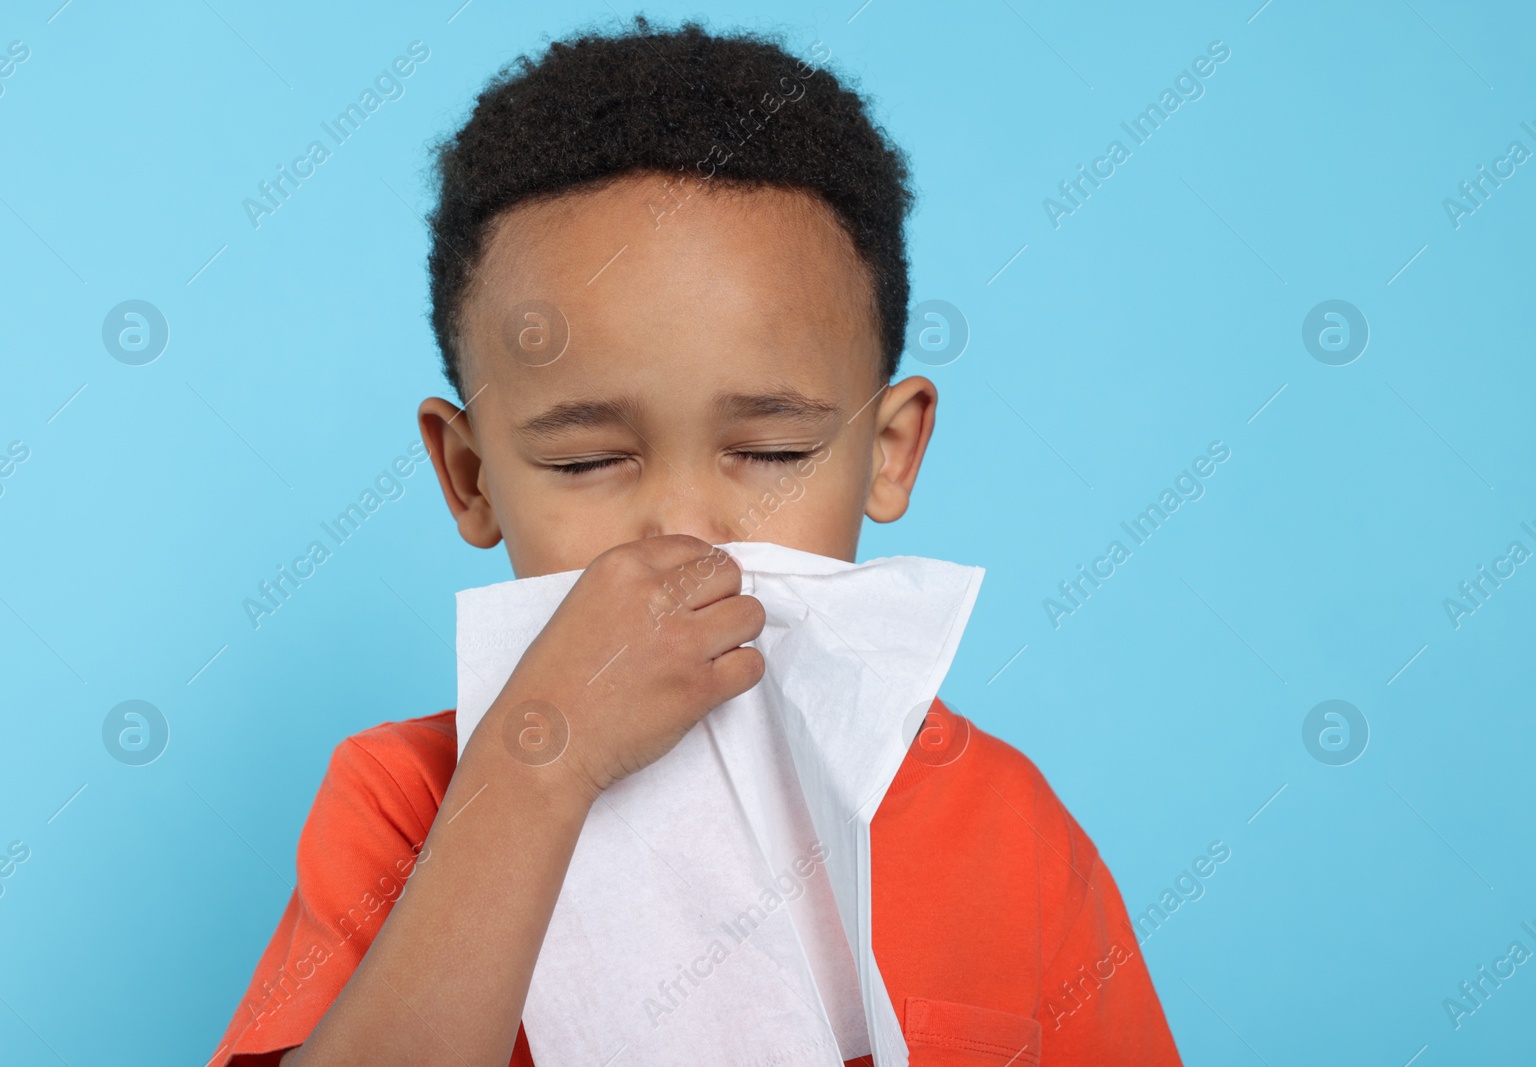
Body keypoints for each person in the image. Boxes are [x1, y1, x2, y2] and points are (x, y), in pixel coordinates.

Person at [210, 15, 1183, 1065]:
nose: (681, 530)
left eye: (770, 451)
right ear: (470, 475)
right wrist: (538, 766)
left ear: (889, 453)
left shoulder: (1007, 831)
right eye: (583, 463)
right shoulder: (402, 799)